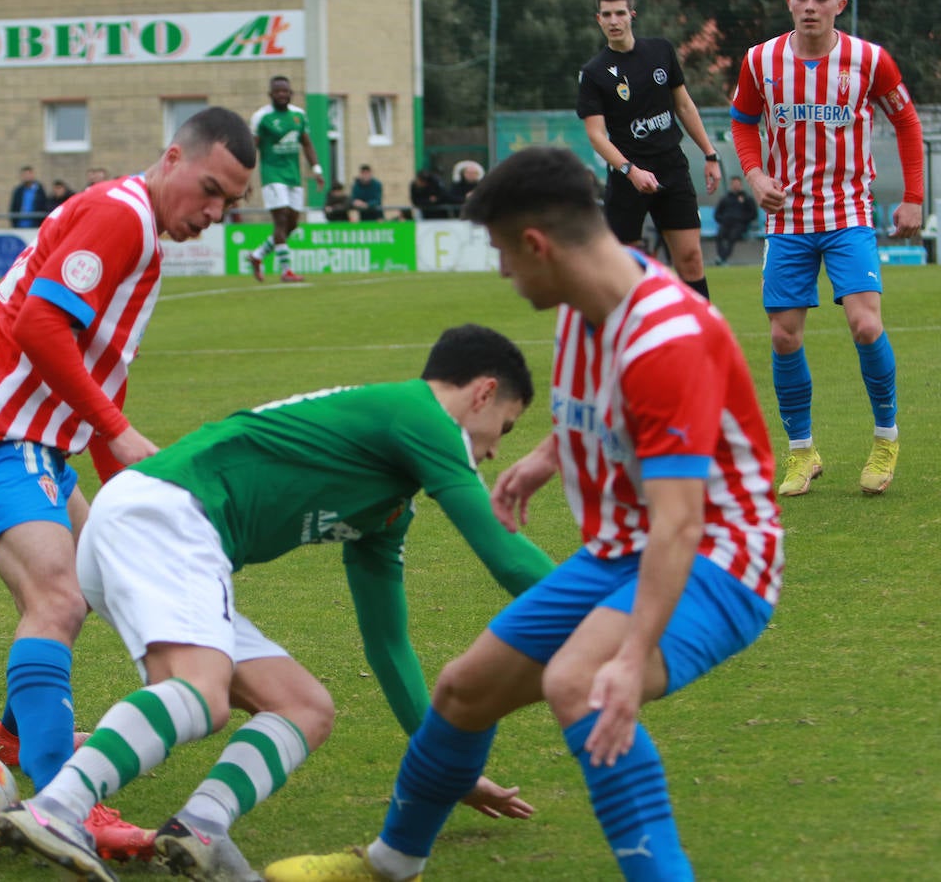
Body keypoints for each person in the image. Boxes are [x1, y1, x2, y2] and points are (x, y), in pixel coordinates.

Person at [263, 145, 783, 882]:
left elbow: (681, 522)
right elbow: (597, 418)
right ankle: (389, 864)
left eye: (506, 254)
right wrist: (543, 459)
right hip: (622, 552)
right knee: (462, 690)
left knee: (584, 680)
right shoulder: (581, 307)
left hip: (719, 561)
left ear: (537, 245)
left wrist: (631, 658)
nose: (505, 273)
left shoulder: (667, 338)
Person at [0, 324, 555, 882]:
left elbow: (387, 644)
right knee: (202, 692)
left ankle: (201, 827)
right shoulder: (422, 416)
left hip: (153, 527)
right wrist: (609, 611)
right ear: (482, 393)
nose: (493, 450)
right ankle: (58, 806)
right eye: (502, 428)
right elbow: (503, 554)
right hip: (167, 512)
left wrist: (443, 767)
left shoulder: (389, 505)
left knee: (304, 707)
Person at [0, 106, 255, 863]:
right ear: (172, 158)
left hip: (29, 438)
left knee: (90, 574)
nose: (212, 213)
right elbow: (42, 324)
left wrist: (124, 487)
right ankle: (59, 802)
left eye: (229, 204)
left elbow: (87, 364)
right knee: (59, 599)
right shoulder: (124, 217)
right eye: (208, 190)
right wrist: (114, 430)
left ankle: (15, 736)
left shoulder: (133, 225)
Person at [730, 0, 923, 497]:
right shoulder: (760, 60)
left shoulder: (868, 59)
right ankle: (801, 452)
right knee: (783, 334)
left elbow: (906, 122)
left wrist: (912, 197)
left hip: (848, 213)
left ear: (839, 3)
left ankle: (886, 438)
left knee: (865, 324)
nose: (809, 5)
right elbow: (743, 122)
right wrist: (755, 175)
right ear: (788, 0)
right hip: (788, 219)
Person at [577, 0, 722, 299]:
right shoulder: (593, 73)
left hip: (672, 168)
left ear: (632, 15)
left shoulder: (660, 51)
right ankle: (626, 339)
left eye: (619, 13)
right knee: (621, 267)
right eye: (606, 15)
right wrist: (631, 170)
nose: (614, 21)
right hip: (629, 177)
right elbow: (596, 135)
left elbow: (684, 105)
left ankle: (697, 338)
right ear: (598, 20)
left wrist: (710, 154)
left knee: (690, 259)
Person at [247, 75, 325, 283]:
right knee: (280, 219)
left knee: (292, 224)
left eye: (286, 91)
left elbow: (307, 144)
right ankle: (286, 271)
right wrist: (246, 177)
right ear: (270, 94)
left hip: (293, 176)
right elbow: (251, 149)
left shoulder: (299, 116)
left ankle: (257, 256)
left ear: (291, 94)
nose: (282, 95)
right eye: (278, 91)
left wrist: (316, 169)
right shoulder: (261, 117)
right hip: (272, 175)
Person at [713, 176, 758, 265]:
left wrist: (743, 220)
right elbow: (717, 214)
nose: (735, 186)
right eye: (733, 184)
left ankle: (722, 258)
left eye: (737, 184)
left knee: (732, 236)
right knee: (719, 236)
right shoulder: (725, 199)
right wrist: (723, 220)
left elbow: (753, 214)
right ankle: (721, 257)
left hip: (740, 225)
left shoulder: (747, 199)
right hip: (726, 223)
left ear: (741, 185)